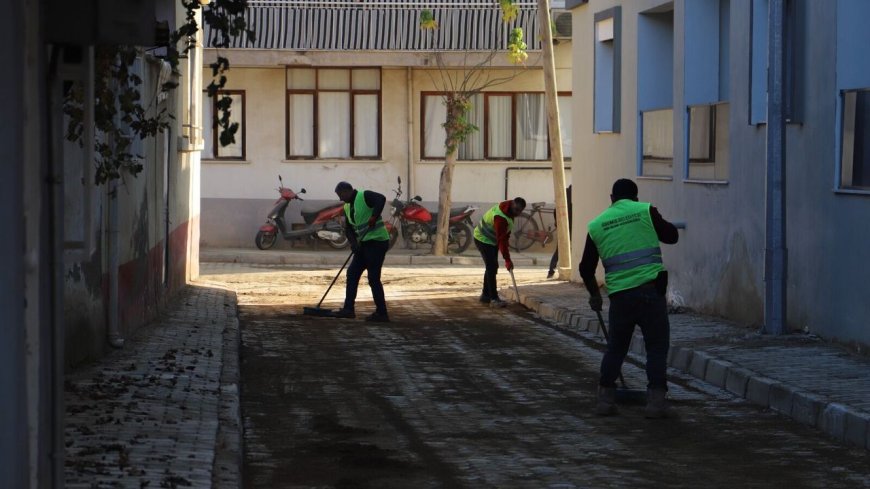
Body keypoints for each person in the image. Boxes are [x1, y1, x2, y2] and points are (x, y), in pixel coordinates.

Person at [578, 179, 679, 418]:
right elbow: (672, 236)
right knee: (656, 347)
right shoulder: (645, 210)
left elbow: (585, 268)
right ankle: (655, 403)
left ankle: (605, 400)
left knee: (616, 348)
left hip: (620, 297)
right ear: (635, 197)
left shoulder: (597, 225)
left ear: (611, 198)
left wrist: (594, 295)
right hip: (650, 293)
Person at [332, 181, 391, 322]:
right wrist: (353, 244)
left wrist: (374, 216)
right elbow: (349, 229)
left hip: (377, 242)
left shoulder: (364, 196)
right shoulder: (346, 206)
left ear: (347, 191)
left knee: (373, 278)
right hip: (363, 244)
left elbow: (381, 199)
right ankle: (348, 309)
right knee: (352, 273)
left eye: (341, 195)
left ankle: (382, 313)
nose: (340, 199)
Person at [473, 197, 527, 308]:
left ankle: (485, 295)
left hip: (492, 240)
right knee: (492, 266)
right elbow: (502, 240)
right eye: (516, 210)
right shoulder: (501, 218)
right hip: (482, 238)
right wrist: (507, 259)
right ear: (512, 204)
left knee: (491, 266)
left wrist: (507, 256)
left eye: (519, 211)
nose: (517, 213)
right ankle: (493, 298)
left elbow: (505, 236)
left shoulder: (509, 210)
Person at [548, 184, 573, 279]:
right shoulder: (575, 195)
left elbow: (555, 210)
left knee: (559, 250)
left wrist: (557, 222)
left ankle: (551, 270)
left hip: (563, 225)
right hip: (572, 226)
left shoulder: (564, 193)